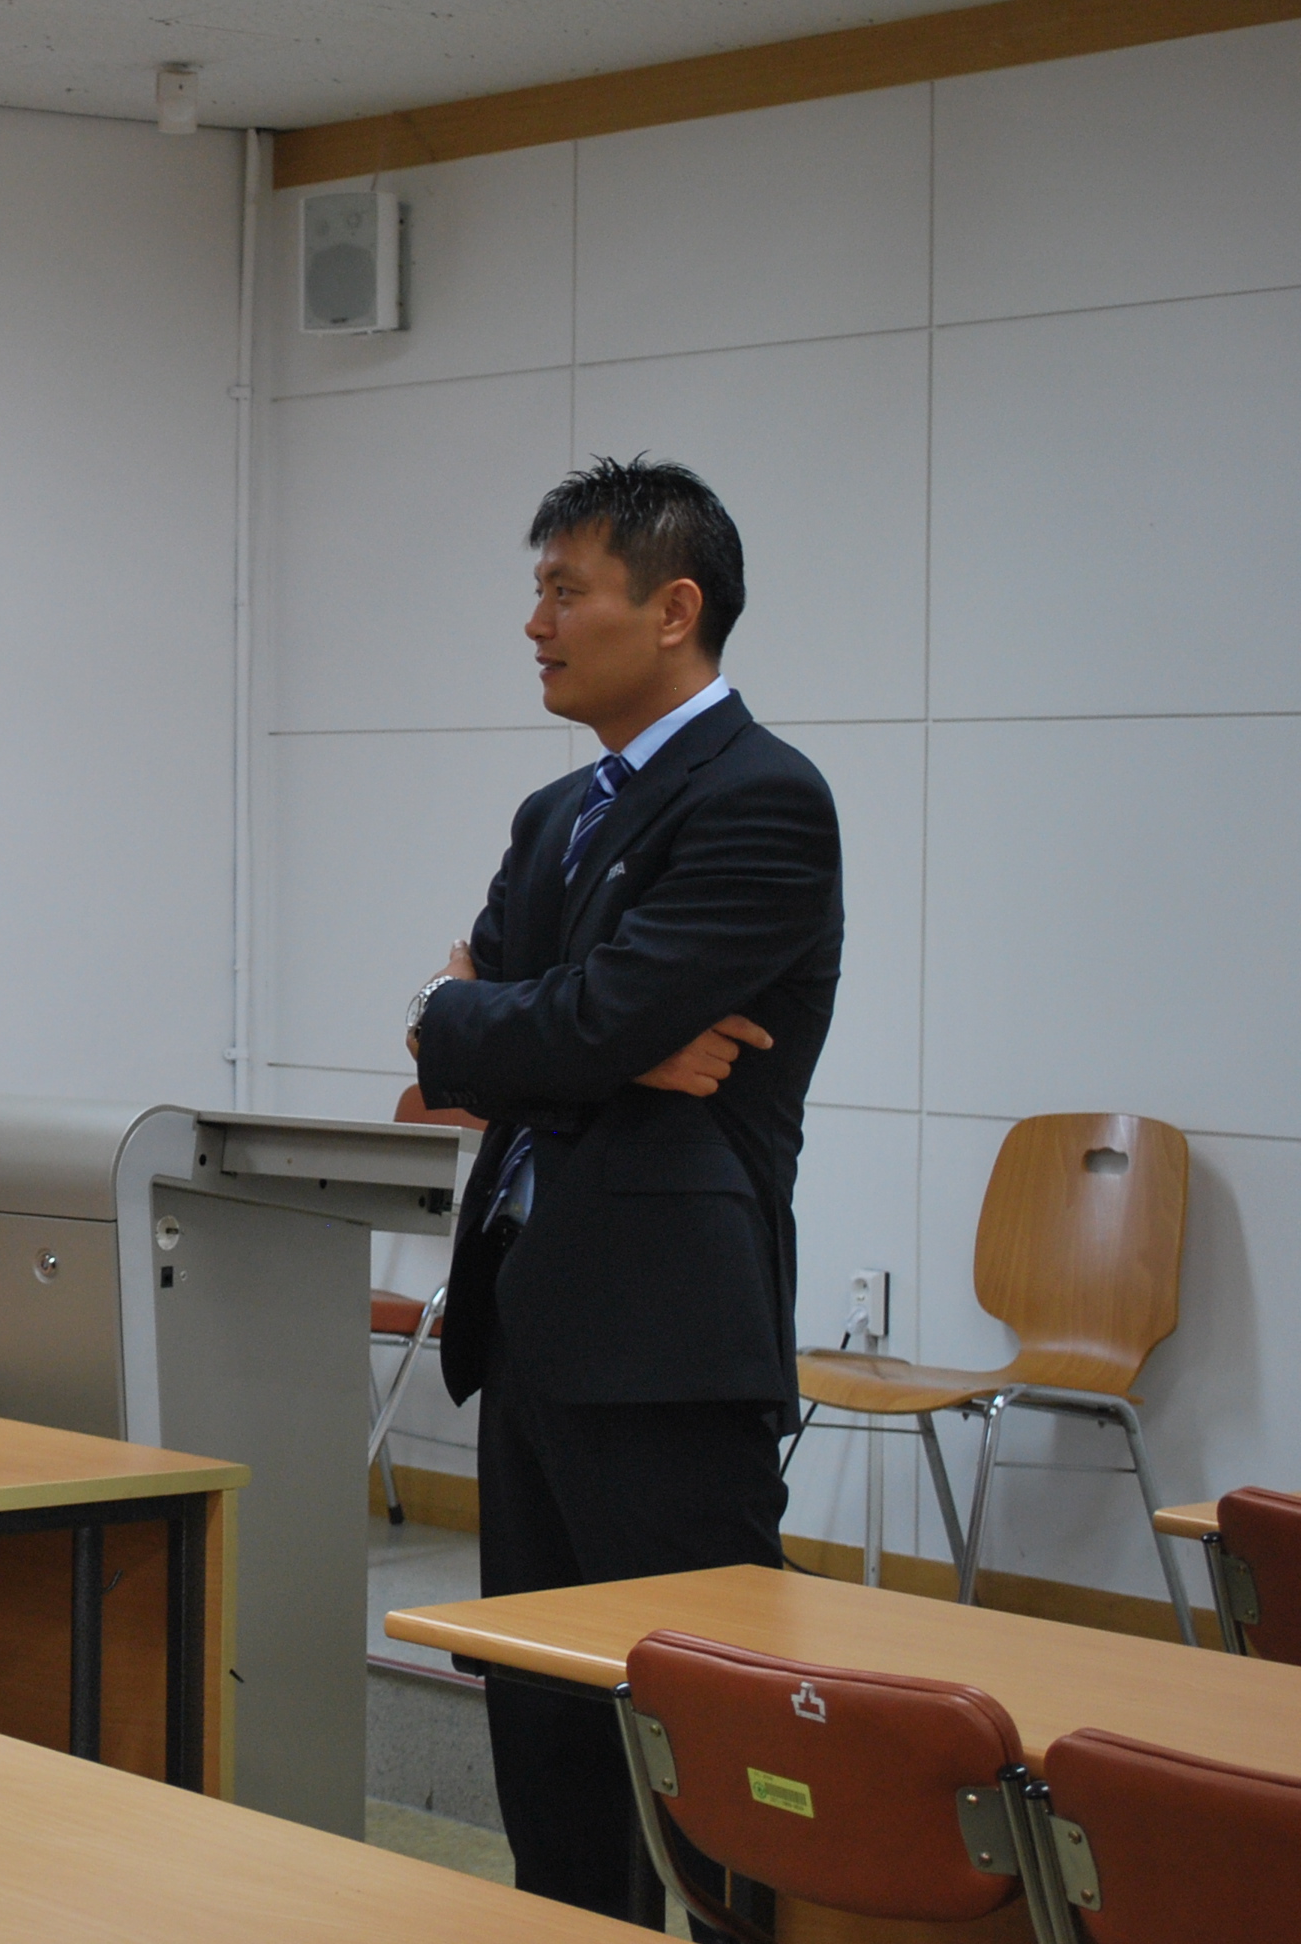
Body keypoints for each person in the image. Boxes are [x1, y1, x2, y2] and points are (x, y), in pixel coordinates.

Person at [405, 458, 842, 1918]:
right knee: (545, 1734)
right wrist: (548, 1032)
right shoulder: (555, 814)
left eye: (563, 591)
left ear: (671, 608)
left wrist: (537, 1026)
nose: (535, 624)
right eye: (535, 590)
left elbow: (558, 1022)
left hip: (665, 1338)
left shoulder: (764, 797)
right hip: (527, 1313)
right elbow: (457, 1035)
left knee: (707, 1740)